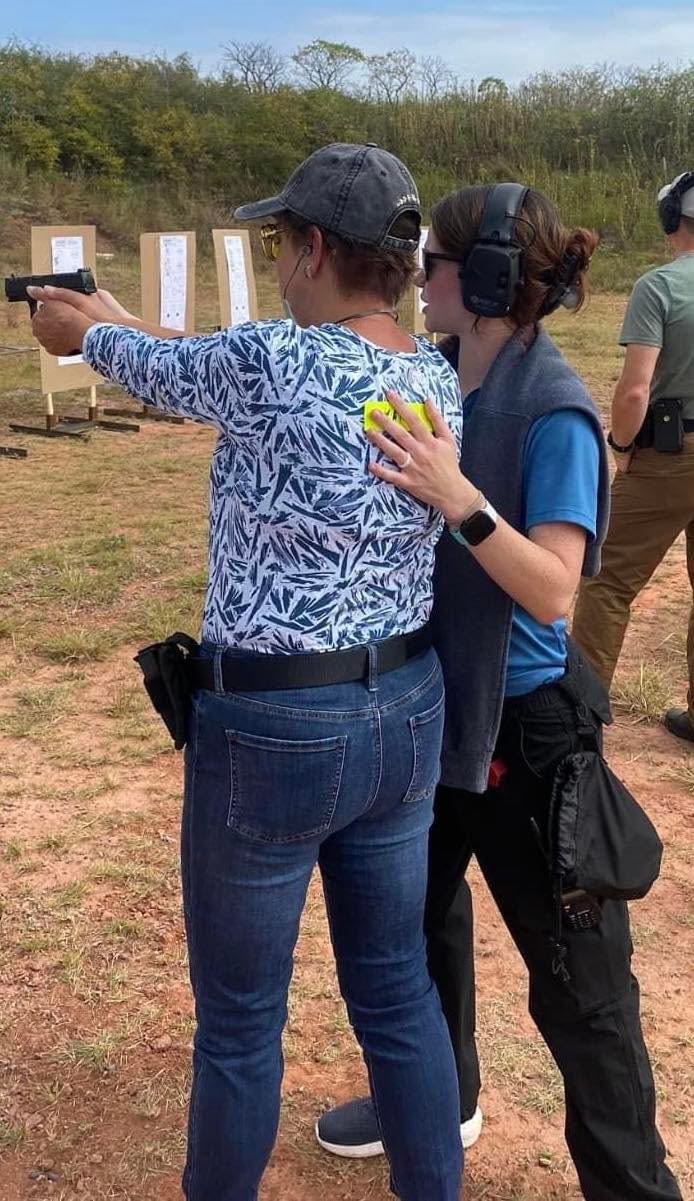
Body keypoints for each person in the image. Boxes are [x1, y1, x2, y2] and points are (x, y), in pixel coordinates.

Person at [30, 144, 465, 1201]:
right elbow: (189, 359)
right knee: (398, 990)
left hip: (274, 725)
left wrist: (77, 327)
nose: (277, 261)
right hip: (404, 706)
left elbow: (156, 366)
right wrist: (110, 316)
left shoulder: (270, 360)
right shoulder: (432, 370)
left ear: (315, 247)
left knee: (237, 1022)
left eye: (281, 242)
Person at [316, 182, 682, 1201]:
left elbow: (556, 589)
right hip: (436, 710)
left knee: (581, 993)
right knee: (414, 930)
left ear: (476, 279)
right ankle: (438, 1101)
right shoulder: (439, 376)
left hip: (530, 733)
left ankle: (632, 1188)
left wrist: (456, 496)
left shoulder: (552, 406)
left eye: (428, 262)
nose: (414, 281)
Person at [573, 171, 694, 744]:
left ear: (673, 220)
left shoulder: (660, 287)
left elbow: (633, 392)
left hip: (670, 458)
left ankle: (580, 720)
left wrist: (621, 446)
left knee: (607, 581)